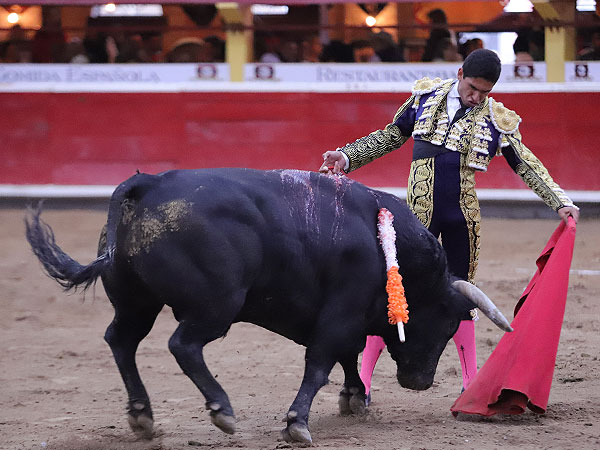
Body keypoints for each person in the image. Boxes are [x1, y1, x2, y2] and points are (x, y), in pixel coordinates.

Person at [319, 49, 579, 402]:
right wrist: (347, 157)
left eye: (484, 92)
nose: (476, 97)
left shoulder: (497, 118)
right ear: (460, 74)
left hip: (463, 220)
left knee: (463, 296)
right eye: (472, 88)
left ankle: (469, 383)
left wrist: (560, 201)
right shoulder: (425, 97)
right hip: (417, 220)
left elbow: (525, 164)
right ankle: (362, 384)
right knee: (392, 295)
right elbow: (392, 135)